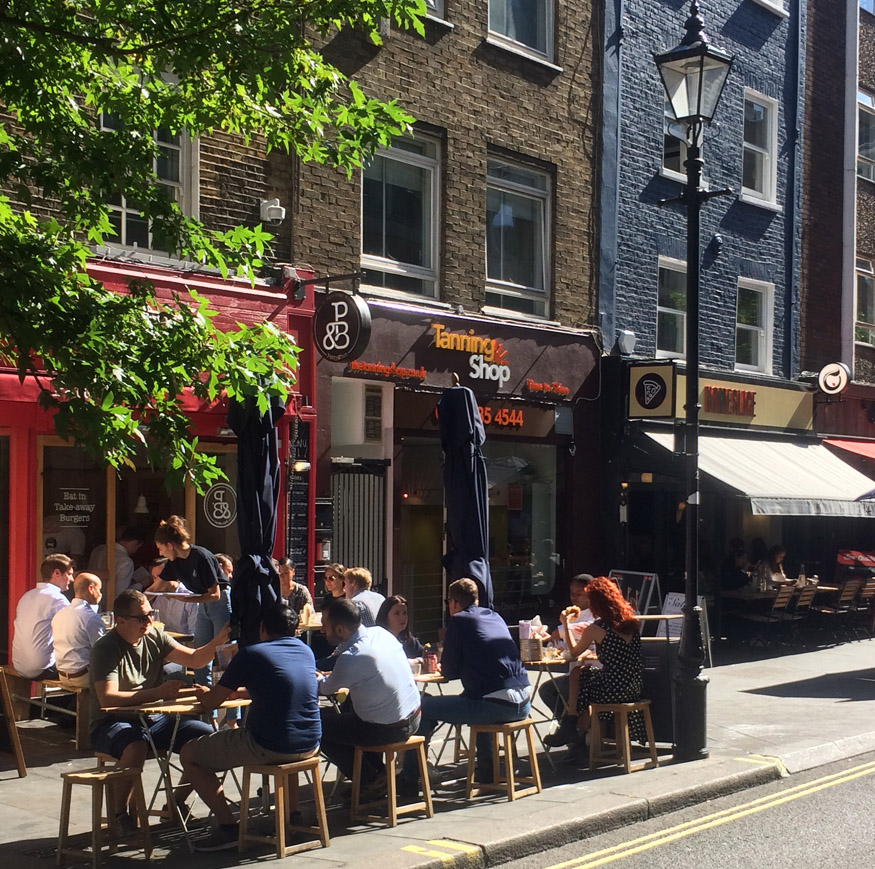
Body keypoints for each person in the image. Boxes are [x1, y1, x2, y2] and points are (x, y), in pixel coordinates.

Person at [181, 603, 321, 851]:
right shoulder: (305, 651)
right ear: (296, 629)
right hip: (310, 743)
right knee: (285, 733)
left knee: (190, 754)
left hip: (267, 744)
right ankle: (294, 814)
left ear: (263, 628)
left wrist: (203, 693)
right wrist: (241, 693)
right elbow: (280, 684)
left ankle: (228, 827)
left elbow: (213, 701)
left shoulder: (252, 653)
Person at [89, 589, 230, 835]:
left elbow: (195, 659)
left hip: (153, 718)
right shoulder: (106, 648)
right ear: (120, 621)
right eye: (142, 618)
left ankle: (176, 802)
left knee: (208, 740)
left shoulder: (154, 635)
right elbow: (107, 698)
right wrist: (159, 692)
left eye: (150, 614)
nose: (149, 622)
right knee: (135, 746)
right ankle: (120, 815)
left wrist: (219, 640)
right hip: (112, 721)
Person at [402, 578, 530, 791]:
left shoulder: (459, 621)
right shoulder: (495, 616)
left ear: (452, 602)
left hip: (495, 704)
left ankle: (409, 779)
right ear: (477, 600)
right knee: (475, 697)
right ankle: (487, 767)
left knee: (422, 707)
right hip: (523, 701)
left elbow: (449, 670)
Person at [318, 598, 421, 801]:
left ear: (339, 629)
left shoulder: (352, 656)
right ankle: (378, 775)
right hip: (414, 717)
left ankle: (369, 778)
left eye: (325, 624)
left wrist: (316, 677)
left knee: (316, 727)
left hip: (387, 729)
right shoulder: (380, 633)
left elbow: (323, 689)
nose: (322, 629)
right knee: (352, 717)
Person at [154, 515, 238, 724]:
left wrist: (188, 598)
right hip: (202, 604)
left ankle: (231, 717)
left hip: (218, 603)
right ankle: (206, 714)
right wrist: (139, 598)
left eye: (161, 549)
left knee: (223, 659)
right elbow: (158, 587)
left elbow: (216, 594)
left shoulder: (201, 556)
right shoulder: (174, 562)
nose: (160, 553)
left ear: (170, 545)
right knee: (200, 655)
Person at [545, 576, 645, 747]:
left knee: (578, 676)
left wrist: (566, 625)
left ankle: (573, 727)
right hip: (634, 685)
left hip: (613, 688)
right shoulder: (632, 622)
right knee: (583, 678)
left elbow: (575, 653)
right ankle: (578, 735)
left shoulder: (597, 628)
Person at [539, 574, 595, 723]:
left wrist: (561, 629)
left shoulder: (593, 616)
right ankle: (570, 727)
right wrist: (552, 642)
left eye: (579, 594)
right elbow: (563, 644)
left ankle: (571, 728)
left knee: (548, 691)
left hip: (591, 672)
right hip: (576, 670)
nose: (574, 598)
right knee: (548, 690)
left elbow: (570, 633)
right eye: (572, 594)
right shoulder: (573, 615)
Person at [12, 554, 74, 679]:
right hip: (41, 668)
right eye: (69, 574)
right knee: (85, 671)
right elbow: (74, 630)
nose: (72, 579)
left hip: (19, 665)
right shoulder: (57, 599)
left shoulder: (26, 596)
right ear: (56, 573)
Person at [50, 573, 105, 689]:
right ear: (91, 588)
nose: (100, 594)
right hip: (83, 676)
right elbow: (101, 650)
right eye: (99, 590)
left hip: (62, 675)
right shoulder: (90, 617)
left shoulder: (60, 613)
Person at [142, 557, 199, 635]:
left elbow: (194, 633)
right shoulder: (158, 596)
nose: (156, 583)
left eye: (160, 578)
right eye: (154, 578)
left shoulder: (189, 597)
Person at [87, 526, 148, 593]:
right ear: (134, 543)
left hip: (91, 595)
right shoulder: (126, 562)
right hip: (109, 601)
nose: (136, 550)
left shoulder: (98, 549)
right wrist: (141, 584)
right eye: (137, 547)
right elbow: (121, 593)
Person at [376, 594, 425, 659]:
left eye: (405, 613)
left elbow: (423, 655)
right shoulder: (377, 640)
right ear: (385, 616)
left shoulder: (407, 638)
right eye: (397, 614)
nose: (403, 618)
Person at [277, 557, 314, 623]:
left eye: (286, 573)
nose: (282, 577)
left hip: (298, 628)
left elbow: (310, 611)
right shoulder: (274, 590)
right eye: (279, 574)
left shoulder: (301, 591)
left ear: (293, 572)